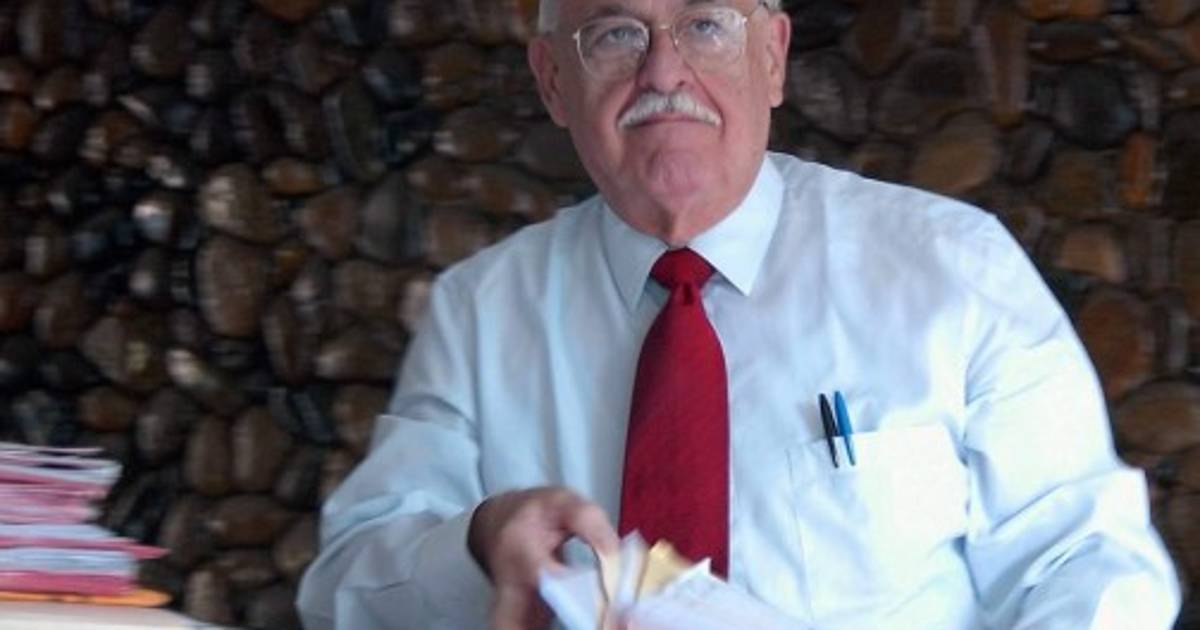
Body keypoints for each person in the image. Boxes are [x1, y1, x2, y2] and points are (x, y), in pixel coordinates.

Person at [296, 0, 1182, 628]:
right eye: (615, 33)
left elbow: (1089, 562)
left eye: (706, 24)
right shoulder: (479, 310)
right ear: (554, 82)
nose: (664, 72)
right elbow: (345, 587)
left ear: (773, 58)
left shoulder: (953, 267)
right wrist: (480, 543)